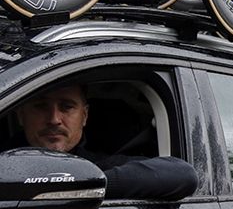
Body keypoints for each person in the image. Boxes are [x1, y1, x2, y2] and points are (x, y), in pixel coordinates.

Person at [14, 84, 198, 201]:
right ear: (21, 115)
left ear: (84, 116)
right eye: (40, 106)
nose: (54, 119)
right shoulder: (5, 167)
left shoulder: (101, 167)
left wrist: (81, 188)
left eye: (66, 107)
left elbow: (183, 174)